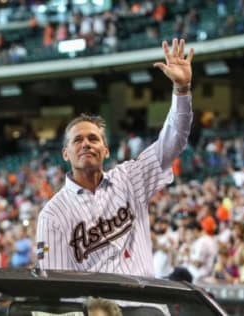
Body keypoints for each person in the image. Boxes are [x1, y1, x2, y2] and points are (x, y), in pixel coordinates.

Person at [36, 38, 194, 276]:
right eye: (78, 140)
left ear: (106, 150)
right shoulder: (53, 213)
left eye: (93, 139)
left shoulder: (130, 178)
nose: (86, 144)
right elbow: (55, 282)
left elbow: (173, 141)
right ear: (65, 154)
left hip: (142, 302)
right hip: (96, 308)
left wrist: (181, 90)